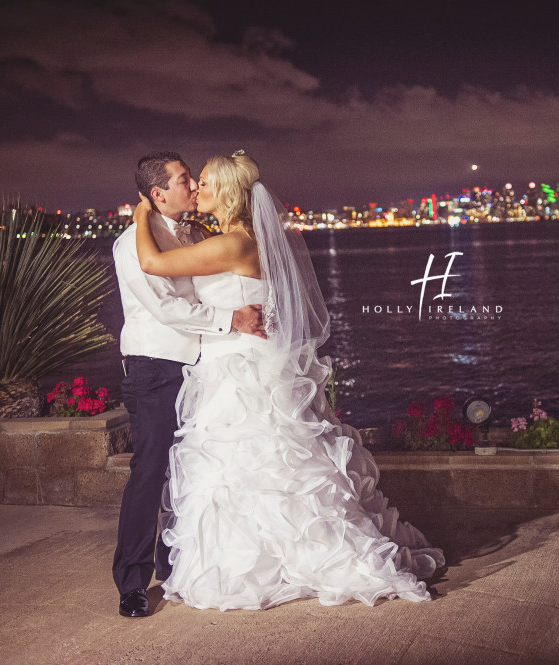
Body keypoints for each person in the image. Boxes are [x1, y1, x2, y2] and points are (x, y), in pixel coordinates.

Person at [132, 151, 444, 610]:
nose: (196, 188)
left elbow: (155, 265)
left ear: (226, 193)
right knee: (253, 469)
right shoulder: (234, 237)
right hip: (234, 363)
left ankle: (288, 559)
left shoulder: (235, 243)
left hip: (241, 369)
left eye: (203, 182)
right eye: (191, 181)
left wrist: (141, 213)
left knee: (257, 465)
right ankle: (269, 556)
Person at [112, 151, 268, 618]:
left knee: (193, 470)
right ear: (158, 194)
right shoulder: (132, 244)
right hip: (155, 368)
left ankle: (176, 564)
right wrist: (232, 317)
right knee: (151, 470)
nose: (193, 188)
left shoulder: (200, 234)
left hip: (202, 368)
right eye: (185, 180)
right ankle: (133, 583)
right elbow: (167, 309)